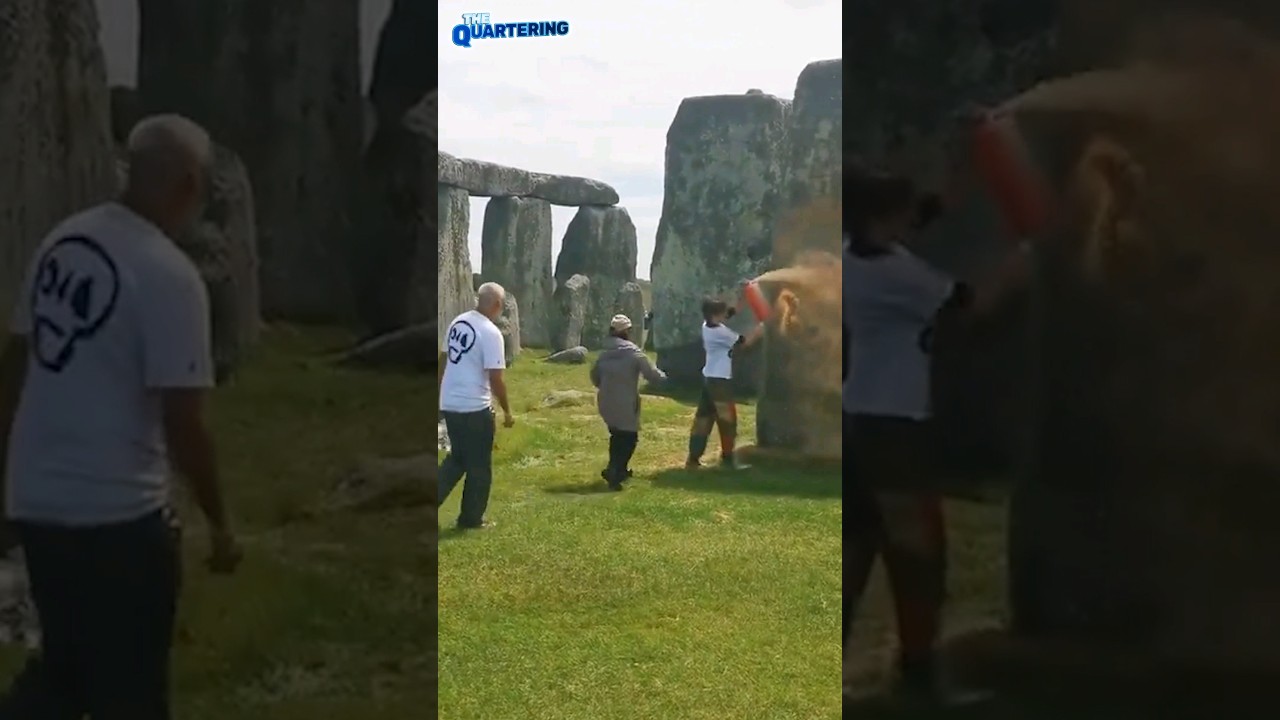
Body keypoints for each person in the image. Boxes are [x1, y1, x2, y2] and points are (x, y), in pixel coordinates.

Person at [0, 114, 241, 719]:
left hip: (39, 496)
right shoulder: (171, 277)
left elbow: (17, 364)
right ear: (188, 184)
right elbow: (184, 422)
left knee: (65, 669)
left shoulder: (63, 241)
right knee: (130, 688)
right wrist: (220, 524)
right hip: (118, 513)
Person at [843, 168, 1029, 706]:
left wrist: (966, 170)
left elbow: (918, 217)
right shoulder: (901, 275)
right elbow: (975, 306)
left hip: (859, 415)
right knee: (920, 552)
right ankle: (921, 676)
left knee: (857, 550)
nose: (913, 220)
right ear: (883, 218)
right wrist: (1023, 264)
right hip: (895, 424)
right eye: (904, 211)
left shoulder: (851, 255)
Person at [438, 282, 513, 530]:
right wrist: (507, 411)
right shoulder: (491, 333)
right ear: (497, 305)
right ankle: (471, 519)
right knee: (480, 465)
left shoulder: (458, 322)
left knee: (458, 459)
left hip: (451, 402)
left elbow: (444, 359)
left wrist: (439, 393)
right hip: (474, 406)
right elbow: (496, 378)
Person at [685, 298, 764, 471]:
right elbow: (744, 343)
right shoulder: (721, 333)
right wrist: (760, 329)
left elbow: (727, 315)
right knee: (728, 420)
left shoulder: (707, 326)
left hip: (709, 378)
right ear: (714, 315)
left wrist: (743, 299)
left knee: (703, 419)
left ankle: (693, 459)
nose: (724, 314)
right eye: (721, 312)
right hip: (720, 381)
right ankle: (728, 460)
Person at [589, 314, 666, 490]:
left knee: (617, 435)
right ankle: (615, 471)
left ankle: (618, 469)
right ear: (627, 332)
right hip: (626, 401)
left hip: (606, 401)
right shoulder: (633, 352)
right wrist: (668, 380)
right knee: (629, 438)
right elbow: (652, 374)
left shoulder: (604, 353)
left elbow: (594, 377)